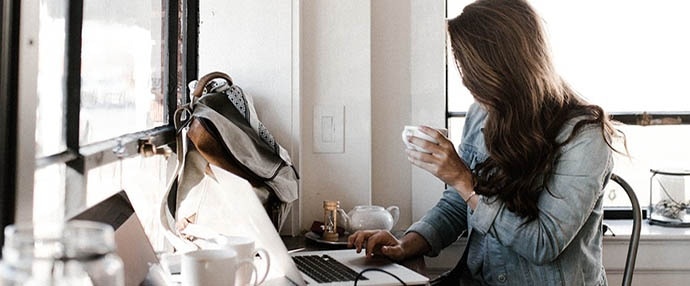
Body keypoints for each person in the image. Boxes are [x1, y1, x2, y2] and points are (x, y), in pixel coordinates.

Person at [348, 0, 624, 285]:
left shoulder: (584, 137)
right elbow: (459, 203)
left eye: (471, 70)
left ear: (503, 68)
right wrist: (408, 243)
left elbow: (543, 244)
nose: (467, 81)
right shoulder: (481, 114)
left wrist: (464, 180)